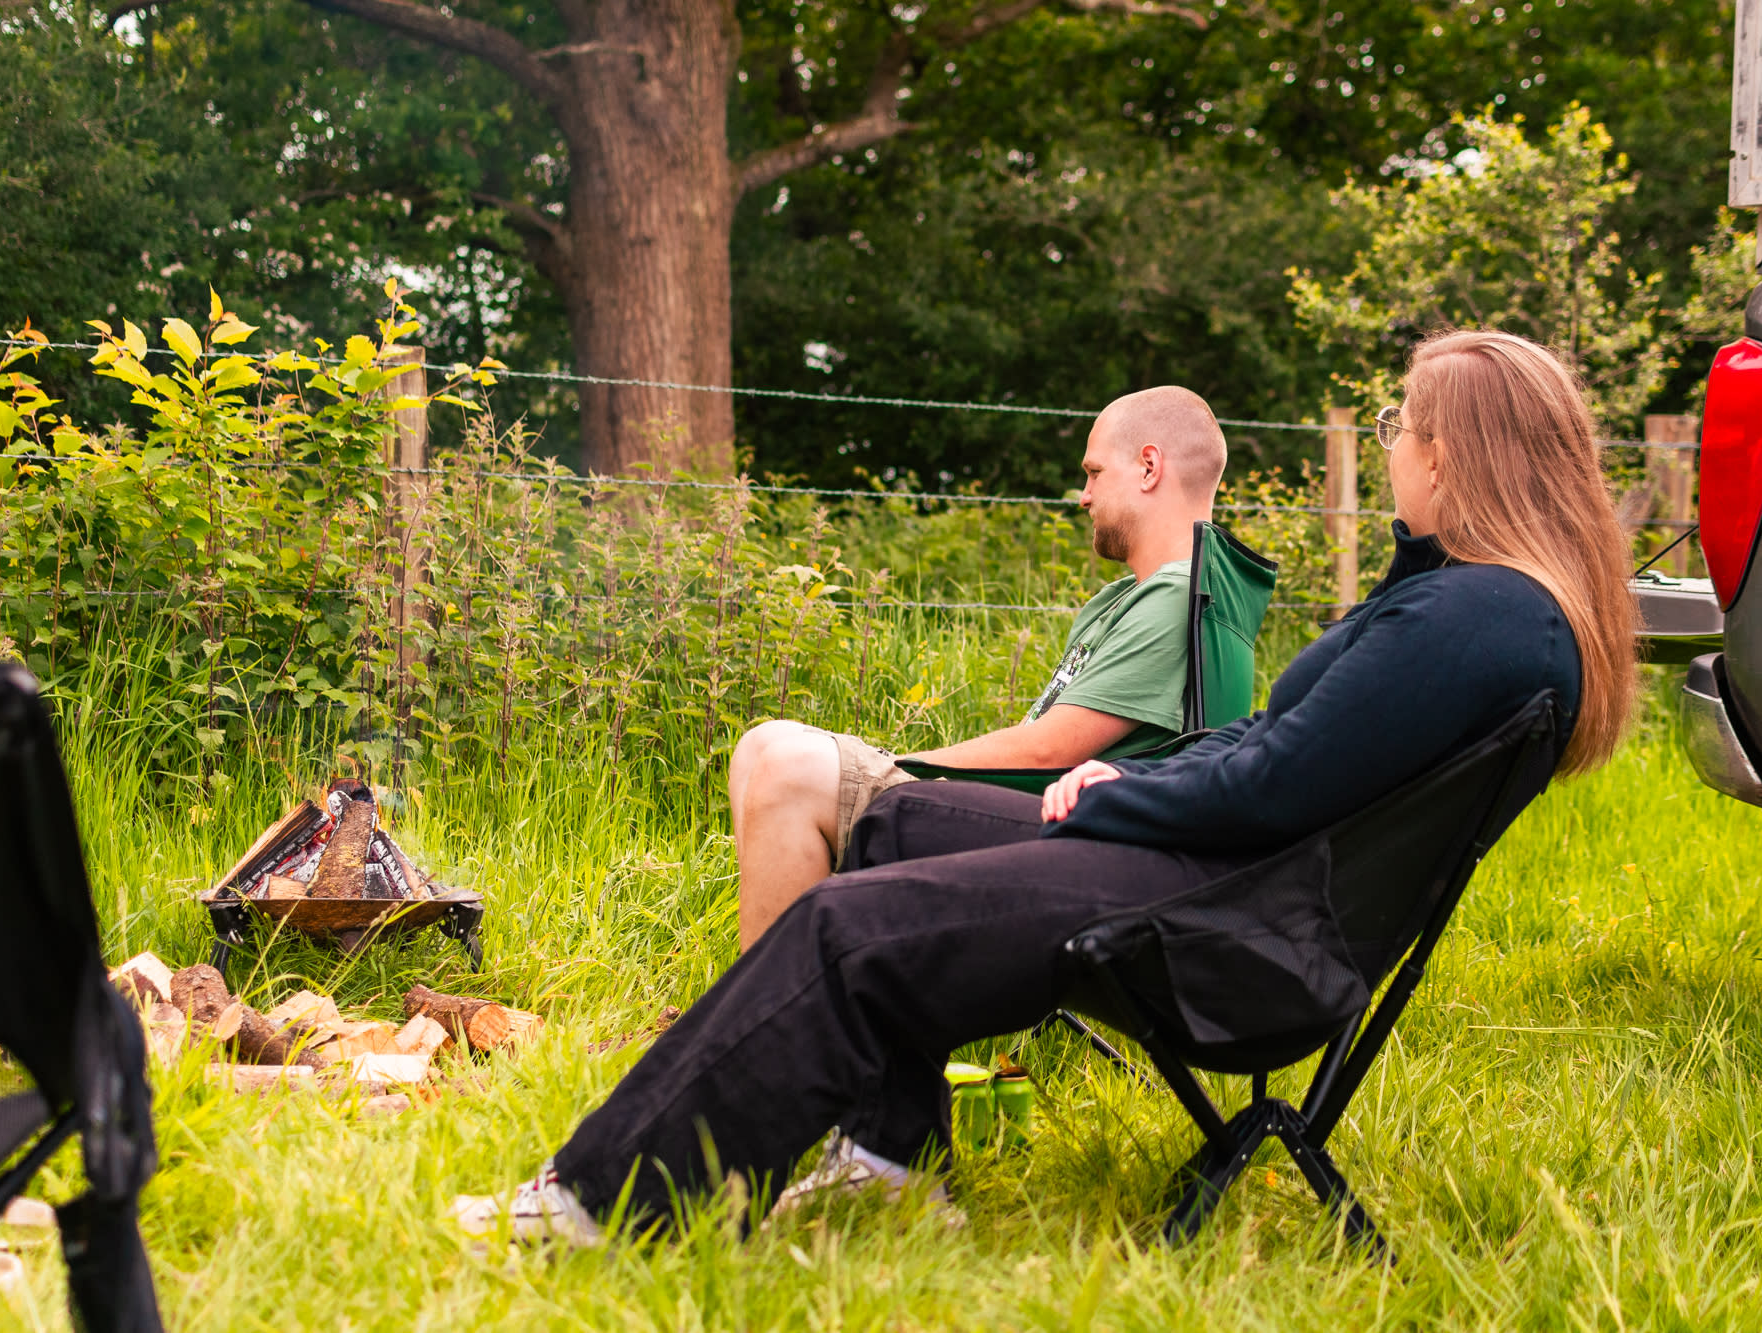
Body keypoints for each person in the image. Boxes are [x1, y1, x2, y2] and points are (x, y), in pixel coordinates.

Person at [451, 329, 1638, 1245]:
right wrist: (1125, 774)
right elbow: (1292, 756)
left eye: (1401, 421)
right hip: (1243, 889)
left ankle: (607, 1198)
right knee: (893, 820)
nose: (1388, 441)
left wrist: (1108, 794)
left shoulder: (1477, 614)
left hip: (1231, 926)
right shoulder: (1477, 604)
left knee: (841, 927)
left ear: (1452, 448)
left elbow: (1277, 780)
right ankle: (888, 1168)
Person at [727, 385, 1228, 949]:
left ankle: (775, 1025)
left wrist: (910, 767)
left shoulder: (1172, 600)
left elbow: (1050, 750)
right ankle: (790, 1001)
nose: (1083, 495)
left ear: (1148, 467)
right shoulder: (1132, 598)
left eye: (1093, 472)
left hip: (1053, 837)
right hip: (1031, 813)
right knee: (761, 745)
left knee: (789, 769)